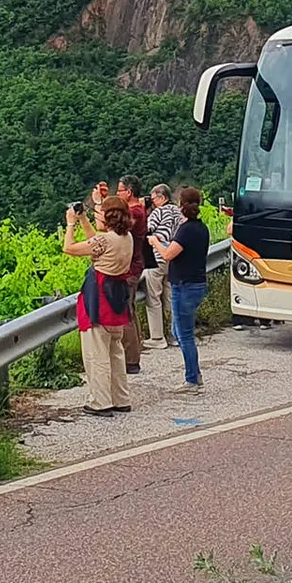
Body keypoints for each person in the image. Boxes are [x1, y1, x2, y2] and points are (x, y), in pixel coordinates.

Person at [62, 193, 135, 415]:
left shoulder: (105, 241)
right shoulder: (126, 238)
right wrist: (85, 220)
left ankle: (100, 401)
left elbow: (69, 248)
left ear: (108, 216)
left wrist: (71, 224)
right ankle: (121, 398)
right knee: (116, 352)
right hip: (117, 299)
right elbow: (96, 241)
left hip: (99, 300)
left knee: (97, 354)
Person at [152, 185, 210, 388]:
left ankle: (192, 379)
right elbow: (178, 250)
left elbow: (168, 255)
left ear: (181, 205)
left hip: (184, 286)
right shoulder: (201, 228)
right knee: (180, 331)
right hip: (196, 283)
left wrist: (155, 242)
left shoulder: (186, 230)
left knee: (184, 334)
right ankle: (194, 374)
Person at [144, 184, 186, 349]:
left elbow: (148, 229)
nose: (151, 201)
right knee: (169, 297)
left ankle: (157, 337)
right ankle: (173, 335)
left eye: (153, 198)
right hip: (173, 257)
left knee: (153, 297)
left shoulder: (159, 212)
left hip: (158, 257)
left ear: (161, 197)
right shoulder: (177, 211)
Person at [115, 176, 149, 374]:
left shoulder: (135, 212)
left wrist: (101, 204)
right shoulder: (138, 210)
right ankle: (134, 353)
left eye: (119, 191)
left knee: (125, 314)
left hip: (129, 268)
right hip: (135, 266)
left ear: (128, 192)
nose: (117, 194)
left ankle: (131, 360)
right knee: (131, 312)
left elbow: (111, 226)